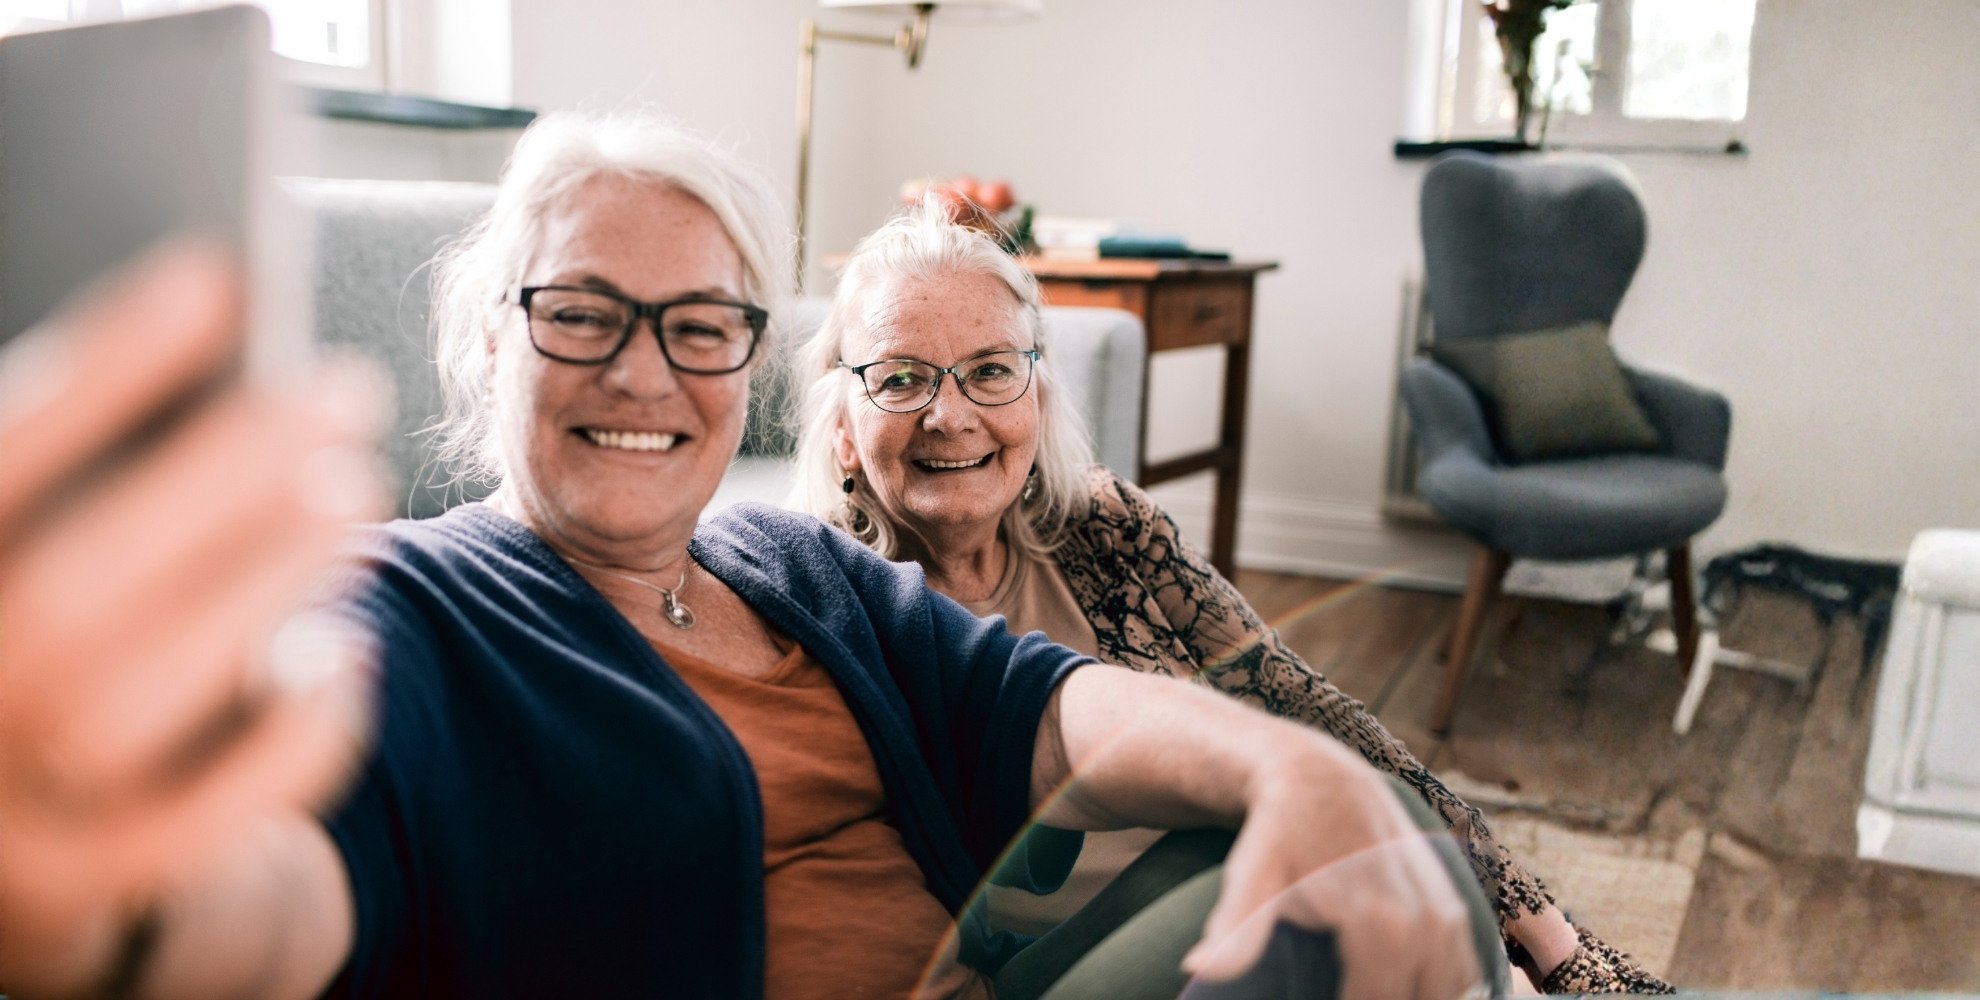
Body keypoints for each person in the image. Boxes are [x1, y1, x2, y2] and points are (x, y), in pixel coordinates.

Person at [0, 111, 1488, 1000]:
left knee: (1370, 868)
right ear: (484, 343)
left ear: (749, 365)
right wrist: (92, 906)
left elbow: (1039, 704)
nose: (647, 376)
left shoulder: (794, 566)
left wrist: (1304, 765)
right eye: (581, 312)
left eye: (701, 327)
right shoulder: (400, 603)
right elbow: (271, 897)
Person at [788, 202, 1674, 994]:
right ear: (843, 432)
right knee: (1336, 852)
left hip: (1225, 909)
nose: (953, 415)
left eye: (990, 371)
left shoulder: (1103, 526)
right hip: (1066, 968)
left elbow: (1307, 710)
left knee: (1362, 813)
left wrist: (1557, 948)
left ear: (1038, 391)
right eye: (901, 379)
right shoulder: (836, 612)